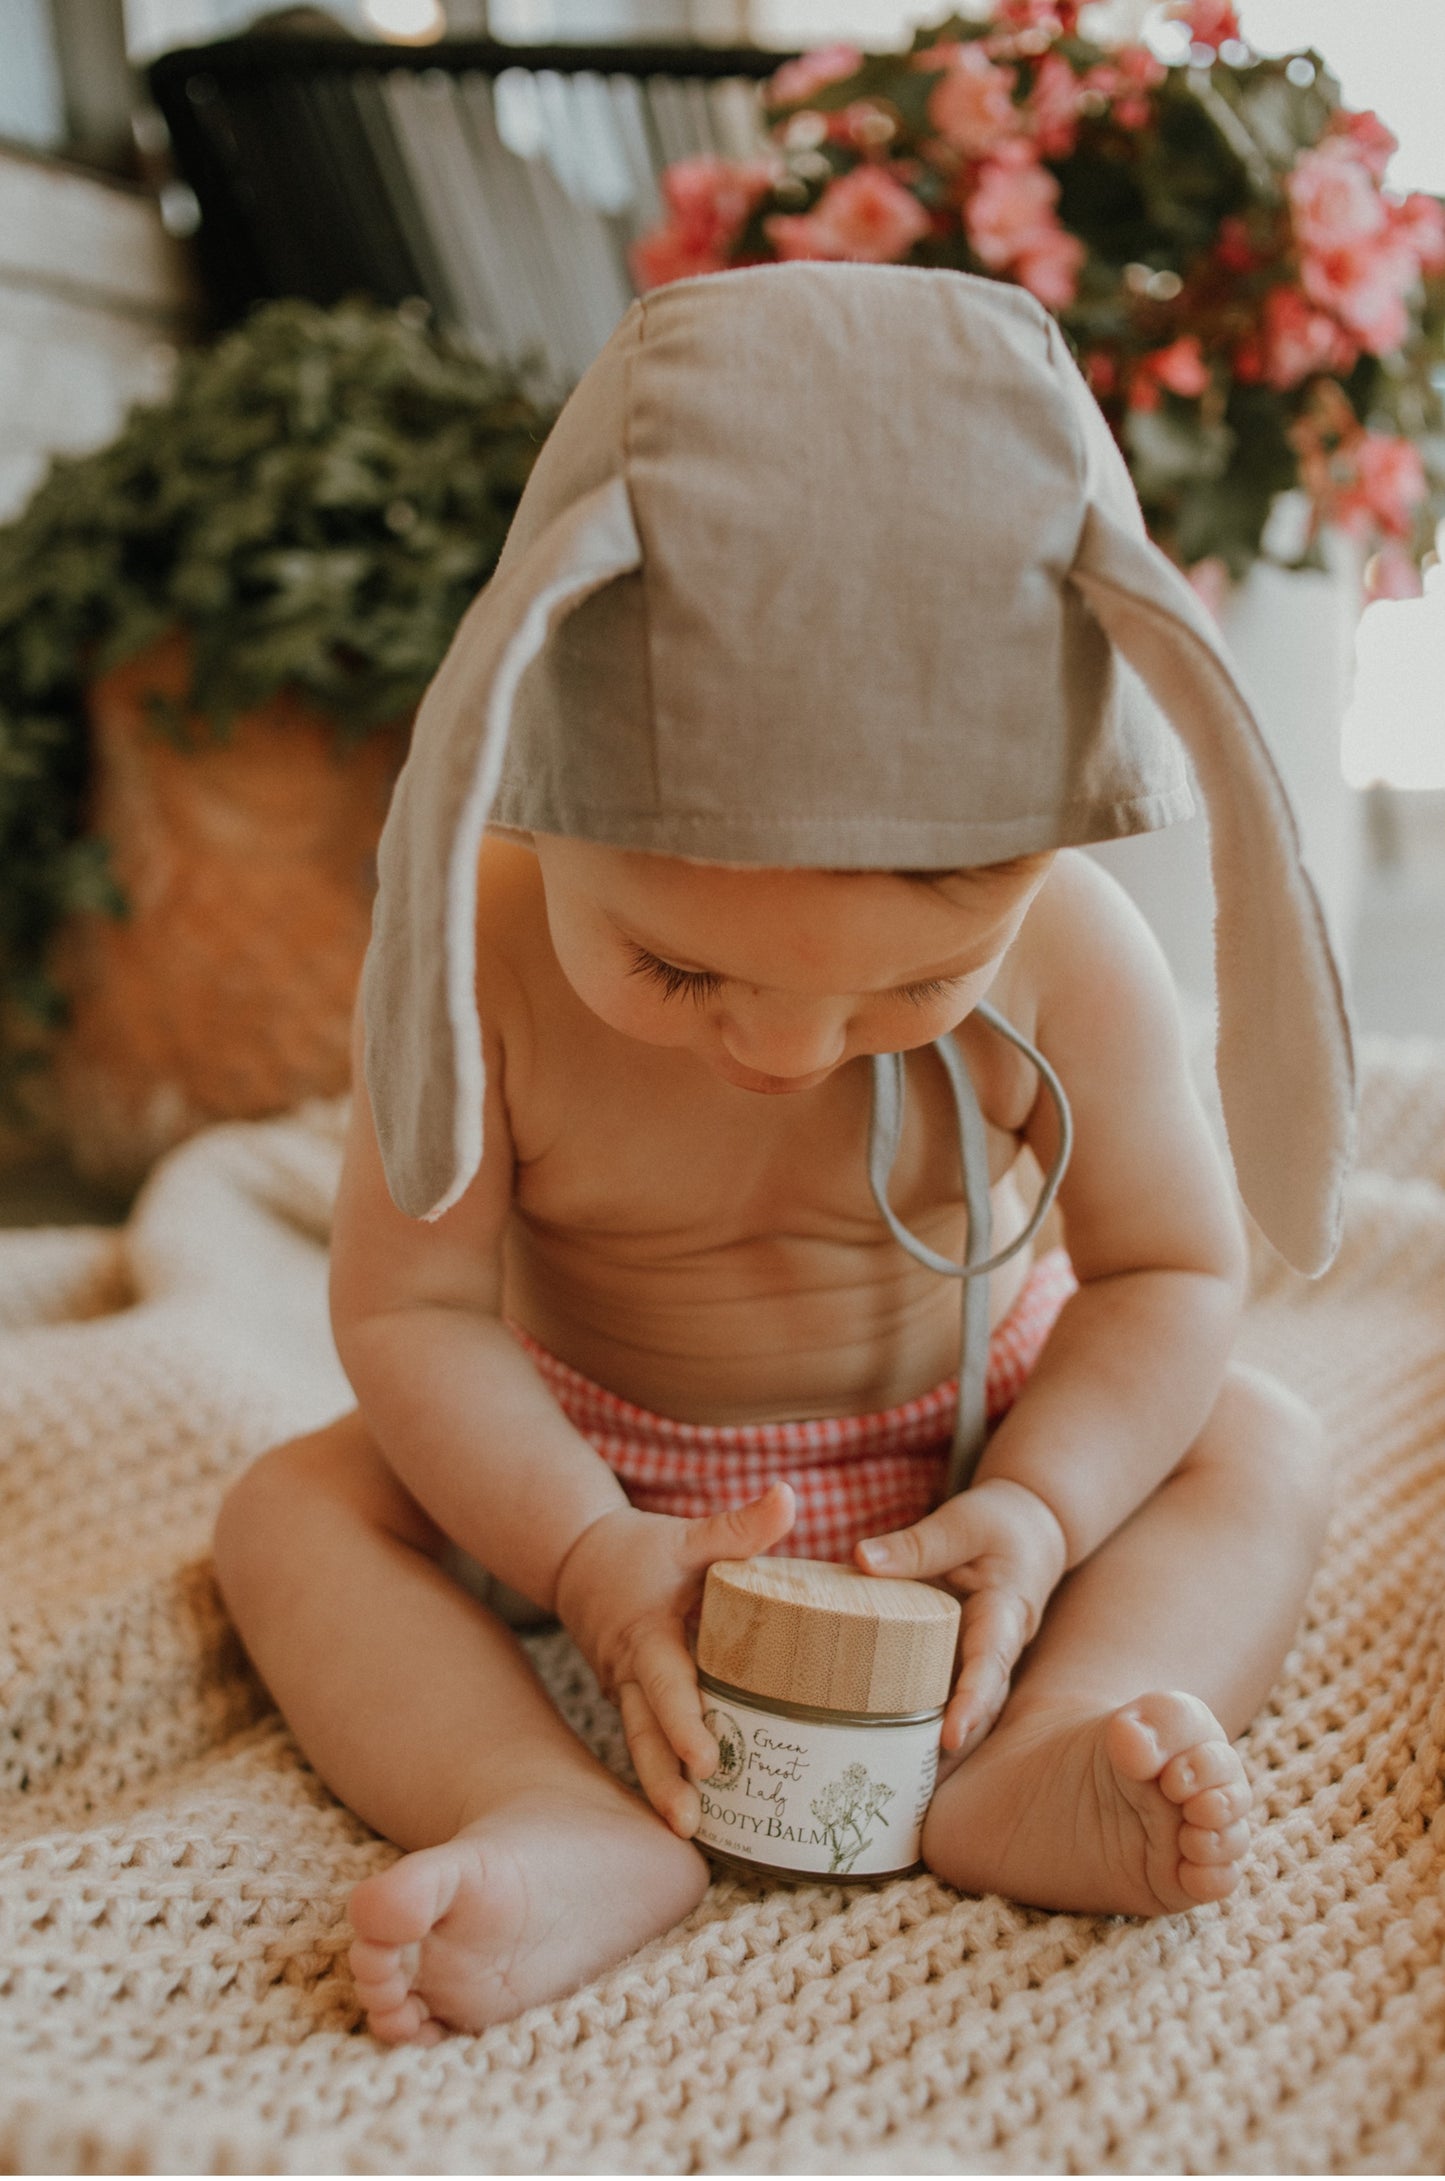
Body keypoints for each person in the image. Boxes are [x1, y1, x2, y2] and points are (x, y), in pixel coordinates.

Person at [212, 263, 1354, 2046]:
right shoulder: (486, 932)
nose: (784, 1048)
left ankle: (1049, 1740)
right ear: (528, 773)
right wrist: (581, 1549)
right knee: (293, 1512)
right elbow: (416, 1311)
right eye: (673, 965)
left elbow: (1170, 1270)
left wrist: (1042, 1507)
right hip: (590, 1459)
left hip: (963, 1449)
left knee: (1261, 1440)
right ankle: (546, 1808)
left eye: (913, 980)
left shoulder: (1066, 940)